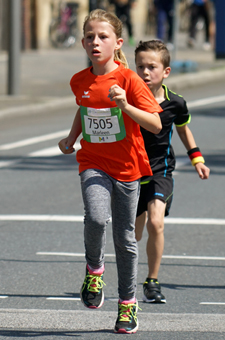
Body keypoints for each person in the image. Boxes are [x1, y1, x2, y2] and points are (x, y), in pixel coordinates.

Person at [58, 10, 162, 334]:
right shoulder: (80, 80)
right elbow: (84, 106)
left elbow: (156, 125)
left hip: (128, 169)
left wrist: (125, 106)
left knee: (125, 239)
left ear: (117, 43)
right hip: (93, 162)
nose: (95, 42)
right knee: (96, 217)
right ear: (83, 43)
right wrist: (72, 137)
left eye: (102, 36)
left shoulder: (130, 80)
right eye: (89, 36)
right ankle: (94, 269)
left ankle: (128, 304)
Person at [134, 40, 210, 304]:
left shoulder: (175, 103)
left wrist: (197, 159)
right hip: (131, 171)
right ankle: (127, 278)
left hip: (160, 169)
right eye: (140, 66)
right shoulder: (128, 99)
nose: (145, 72)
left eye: (151, 67)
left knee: (156, 222)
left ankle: (152, 281)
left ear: (166, 71)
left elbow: (183, 130)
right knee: (134, 233)